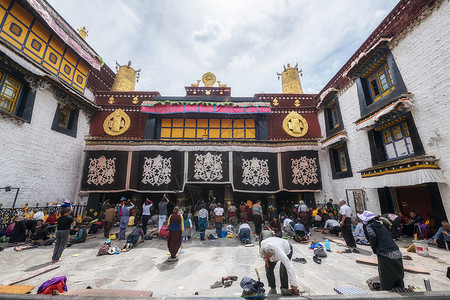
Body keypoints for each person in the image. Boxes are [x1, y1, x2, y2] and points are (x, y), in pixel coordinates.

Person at [359, 211, 404, 290]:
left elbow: (372, 236)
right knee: (397, 271)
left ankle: (386, 289)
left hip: (384, 252)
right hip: (395, 249)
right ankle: (399, 286)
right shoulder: (379, 225)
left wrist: (374, 248)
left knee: (385, 273)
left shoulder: (369, 226)